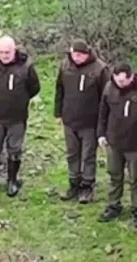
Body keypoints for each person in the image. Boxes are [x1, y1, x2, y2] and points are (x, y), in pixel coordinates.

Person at [96, 62, 137, 226]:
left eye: (122, 81)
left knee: (135, 179)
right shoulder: (109, 88)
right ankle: (114, 206)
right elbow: (103, 112)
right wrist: (101, 134)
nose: (119, 84)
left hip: (135, 146)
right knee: (114, 175)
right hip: (113, 142)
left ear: (131, 77)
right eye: (117, 80)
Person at [0, 36, 41, 198]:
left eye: (7, 52)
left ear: (14, 49)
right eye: (1, 52)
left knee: (14, 150)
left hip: (17, 118)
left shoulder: (26, 66)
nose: (4, 55)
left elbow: (34, 87)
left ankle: (12, 181)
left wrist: (20, 101)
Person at [53, 39, 110, 203]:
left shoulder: (100, 69)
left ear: (87, 54)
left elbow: (107, 97)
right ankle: (73, 183)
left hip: (90, 122)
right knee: (72, 154)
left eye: (80, 55)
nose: (77, 57)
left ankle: (87, 186)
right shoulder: (65, 66)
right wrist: (58, 113)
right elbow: (59, 89)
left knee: (88, 156)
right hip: (70, 119)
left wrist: (103, 124)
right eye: (74, 54)